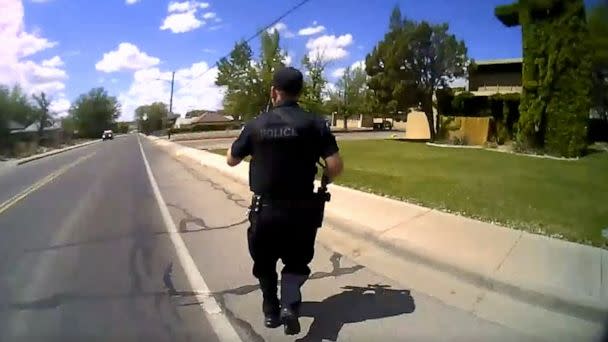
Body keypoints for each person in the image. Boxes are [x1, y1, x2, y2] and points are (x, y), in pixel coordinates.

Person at [226, 67, 344, 335]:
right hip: (303, 211)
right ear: (299, 92)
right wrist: (325, 179)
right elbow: (335, 165)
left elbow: (231, 159)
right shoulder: (315, 123)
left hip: (266, 210)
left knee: (265, 262)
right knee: (296, 261)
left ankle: (271, 309)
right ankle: (290, 305)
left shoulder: (256, 125)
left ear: (273, 92)